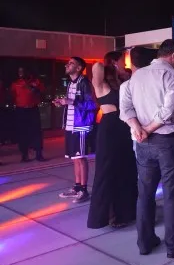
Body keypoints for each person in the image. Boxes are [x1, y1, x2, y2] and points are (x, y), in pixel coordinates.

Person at [120, 39, 174, 258]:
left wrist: (138, 128)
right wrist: (148, 129)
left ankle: (145, 243)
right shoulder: (171, 75)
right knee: (173, 194)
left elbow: (125, 108)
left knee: (145, 194)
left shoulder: (136, 76)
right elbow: (168, 110)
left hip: (143, 143)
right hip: (168, 141)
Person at [87, 51, 137, 229]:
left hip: (124, 127)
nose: (125, 63)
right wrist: (112, 64)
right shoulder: (101, 82)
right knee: (108, 170)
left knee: (126, 170)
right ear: (115, 61)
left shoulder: (121, 82)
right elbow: (97, 67)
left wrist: (121, 72)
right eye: (122, 60)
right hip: (109, 128)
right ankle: (105, 217)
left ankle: (126, 213)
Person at [54, 57, 96, 203]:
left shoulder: (84, 83)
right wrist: (63, 102)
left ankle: (84, 190)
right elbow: (72, 103)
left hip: (81, 125)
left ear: (78, 68)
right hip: (70, 125)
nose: (67, 65)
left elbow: (92, 105)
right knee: (74, 158)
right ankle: (77, 187)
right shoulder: (71, 83)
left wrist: (71, 101)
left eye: (71, 63)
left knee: (80, 158)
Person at [11, 67, 46, 162]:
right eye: (19, 71)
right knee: (22, 132)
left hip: (33, 109)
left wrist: (30, 85)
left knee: (36, 132)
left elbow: (41, 92)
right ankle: (24, 155)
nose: (20, 73)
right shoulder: (15, 83)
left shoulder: (36, 82)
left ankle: (39, 154)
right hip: (21, 110)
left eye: (22, 71)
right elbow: (13, 96)